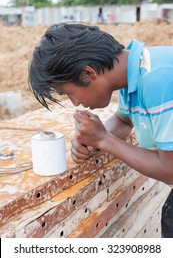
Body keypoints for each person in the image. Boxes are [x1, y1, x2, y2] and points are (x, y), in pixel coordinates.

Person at [28, 23, 173, 237]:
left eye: (69, 93)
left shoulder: (158, 79)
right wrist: (92, 141)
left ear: (88, 74)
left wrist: (104, 139)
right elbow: (124, 121)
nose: (75, 103)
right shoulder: (135, 70)